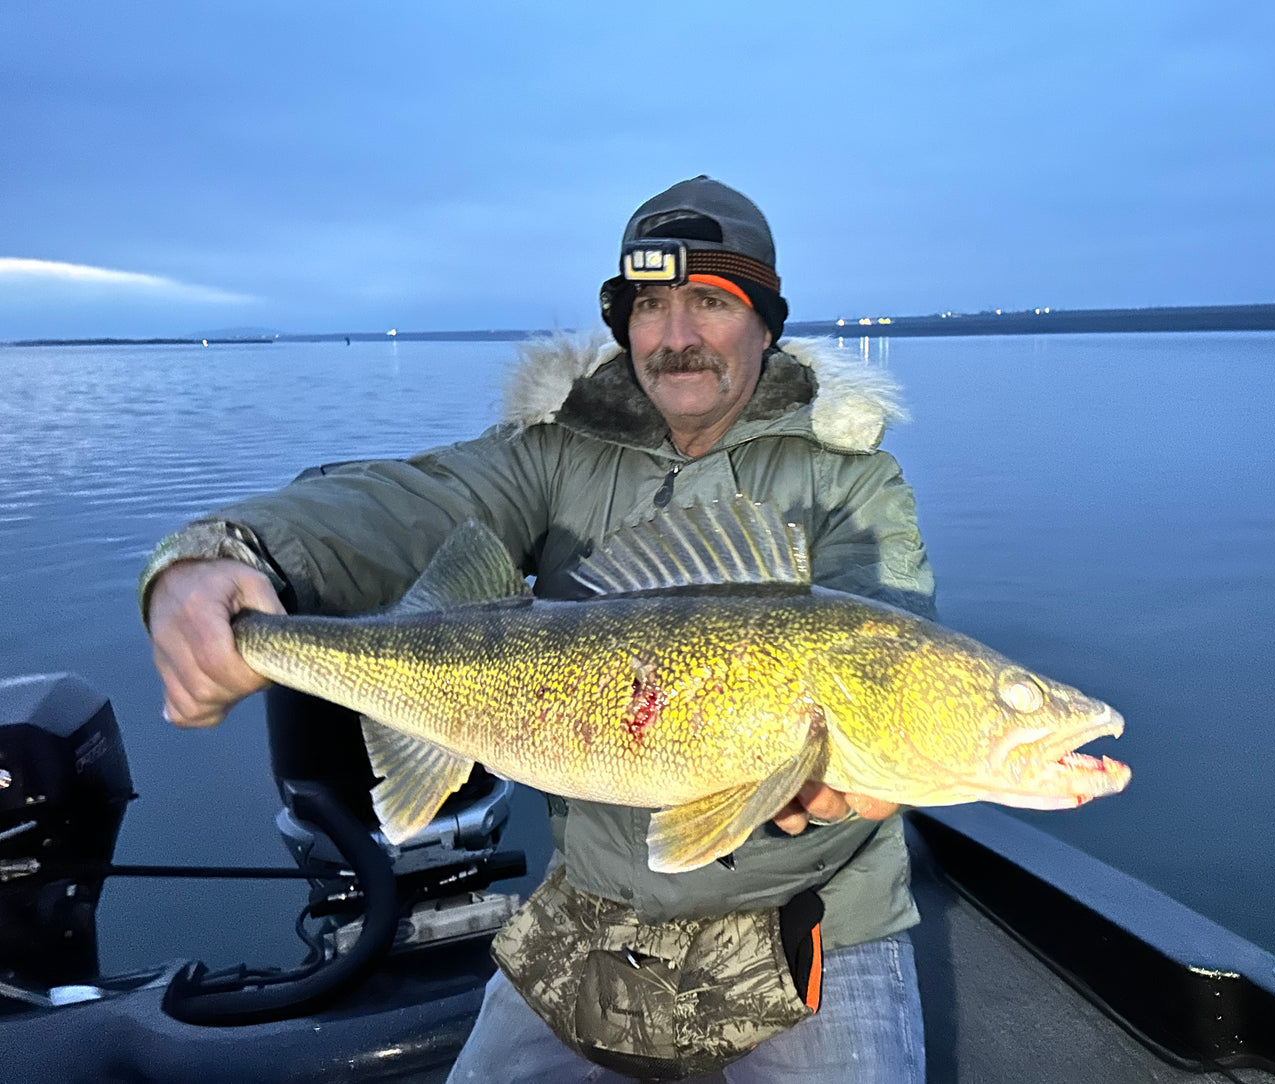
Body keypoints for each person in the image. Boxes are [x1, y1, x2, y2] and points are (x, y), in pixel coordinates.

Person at [140, 176, 935, 1081]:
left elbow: (888, 637)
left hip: (815, 912)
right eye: (649, 307)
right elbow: (419, 498)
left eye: (709, 303)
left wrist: (855, 772)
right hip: (592, 908)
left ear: (765, 322)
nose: (676, 337)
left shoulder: (853, 484)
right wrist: (226, 550)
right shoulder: (552, 453)